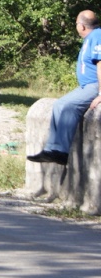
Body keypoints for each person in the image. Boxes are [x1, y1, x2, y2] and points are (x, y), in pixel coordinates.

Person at [28, 10, 101, 166]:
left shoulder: (97, 36)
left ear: (81, 26)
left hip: (94, 85)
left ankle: (61, 151)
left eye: (76, 24)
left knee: (69, 106)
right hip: (86, 85)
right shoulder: (91, 38)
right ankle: (52, 150)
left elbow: (100, 64)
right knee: (59, 104)